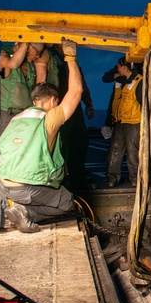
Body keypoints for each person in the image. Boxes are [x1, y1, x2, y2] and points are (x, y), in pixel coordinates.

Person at [0, 39, 82, 234]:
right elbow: (75, 91)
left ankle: (3, 204)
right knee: (66, 202)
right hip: (27, 187)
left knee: (17, 187)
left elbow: (1, 149)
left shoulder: (15, 120)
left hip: (2, 184)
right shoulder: (49, 119)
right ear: (53, 100)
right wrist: (71, 57)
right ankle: (24, 211)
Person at [0, 42, 36, 201]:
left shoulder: (29, 65)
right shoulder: (3, 53)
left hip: (22, 115)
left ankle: (12, 195)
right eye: (35, 50)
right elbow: (12, 63)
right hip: (5, 113)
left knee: (19, 156)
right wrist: (25, 42)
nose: (37, 56)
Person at [51, 45, 95, 192]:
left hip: (74, 108)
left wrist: (88, 101)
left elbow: (80, 80)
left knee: (80, 141)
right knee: (61, 144)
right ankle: (61, 180)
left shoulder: (71, 60)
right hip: (58, 108)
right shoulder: (49, 57)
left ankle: (77, 178)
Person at [104, 57, 143, 188]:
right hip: (120, 122)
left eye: (119, 67)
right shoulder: (120, 81)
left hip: (134, 123)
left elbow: (144, 104)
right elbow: (114, 101)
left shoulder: (139, 81)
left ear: (125, 67)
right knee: (115, 151)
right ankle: (112, 178)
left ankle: (135, 179)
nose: (117, 69)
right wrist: (109, 120)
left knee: (133, 153)